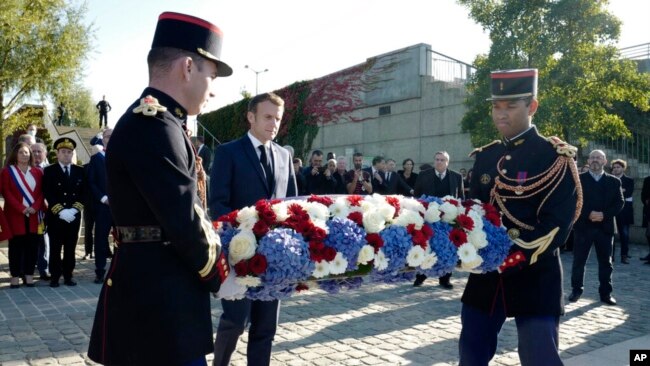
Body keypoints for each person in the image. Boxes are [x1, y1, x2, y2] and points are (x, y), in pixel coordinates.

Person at [88, 12, 229, 366]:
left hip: (158, 302)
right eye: (210, 75)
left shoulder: (162, 122)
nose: (213, 89)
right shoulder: (153, 125)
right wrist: (225, 272)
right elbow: (184, 217)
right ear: (187, 67)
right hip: (158, 311)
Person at [460, 68, 580, 366]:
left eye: (510, 106)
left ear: (532, 106)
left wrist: (511, 256)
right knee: (471, 354)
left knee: (540, 357)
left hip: (535, 273)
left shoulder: (553, 156)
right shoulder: (486, 157)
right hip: (486, 277)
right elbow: (473, 211)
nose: (501, 114)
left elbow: (557, 225)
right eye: (496, 107)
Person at [210, 92, 297, 366]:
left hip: (276, 259)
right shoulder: (228, 152)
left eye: (278, 119)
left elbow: (293, 204)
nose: (273, 124)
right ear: (251, 117)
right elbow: (219, 204)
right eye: (268, 117)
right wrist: (241, 236)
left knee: (265, 328)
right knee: (236, 321)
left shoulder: (284, 156)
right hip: (240, 255)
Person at [569, 150, 624, 306]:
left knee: (606, 263)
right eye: (592, 157)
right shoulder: (578, 180)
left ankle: (606, 293)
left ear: (604, 161)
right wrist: (588, 214)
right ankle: (576, 290)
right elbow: (572, 201)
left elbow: (619, 203)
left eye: (598, 158)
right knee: (579, 261)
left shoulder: (614, 182)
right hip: (583, 227)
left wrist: (604, 214)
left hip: (605, 228)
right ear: (588, 160)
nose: (595, 160)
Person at [412, 151, 464, 289]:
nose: (439, 162)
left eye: (442, 160)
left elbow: (461, 198)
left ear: (447, 162)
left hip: (449, 220)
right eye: (437, 159)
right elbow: (417, 195)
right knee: (427, 246)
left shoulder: (456, 177)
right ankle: (420, 276)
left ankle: (445, 278)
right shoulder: (424, 175)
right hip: (429, 218)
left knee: (447, 247)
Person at [43, 138, 85, 287]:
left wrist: (74, 209)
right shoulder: (49, 171)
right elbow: (48, 193)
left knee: (70, 247)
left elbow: (84, 193)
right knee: (55, 248)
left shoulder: (80, 171)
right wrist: (60, 211)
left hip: (73, 216)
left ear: (72, 154)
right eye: (63, 152)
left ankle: (68, 275)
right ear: (57, 154)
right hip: (56, 217)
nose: (66, 155)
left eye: (69, 152)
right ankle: (55, 276)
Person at [1, 143, 44, 288]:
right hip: (15, 214)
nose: (24, 155)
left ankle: (29, 275)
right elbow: (6, 192)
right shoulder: (7, 171)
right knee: (16, 246)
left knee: (32, 245)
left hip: (33, 215)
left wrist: (35, 207)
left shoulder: (37, 172)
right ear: (15, 154)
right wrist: (21, 208)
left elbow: (42, 192)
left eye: (27, 152)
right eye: (21, 152)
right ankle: (14, 276)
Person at [87, 129, 113, 284]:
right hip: (103, 206)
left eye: (112, 136)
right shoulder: (96, 158)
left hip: (121, 207)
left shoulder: (123, 157)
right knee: (101, 239)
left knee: (123, 239)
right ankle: (100, 271)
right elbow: (92, 182)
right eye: (107, 137)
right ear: (102, 139)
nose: (110, 139)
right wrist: (103, 198)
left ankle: (120, 270)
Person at [31, 142, 50, 280]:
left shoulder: (51, 170)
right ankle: (26, 269)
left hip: (46, 211)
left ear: (45, 154)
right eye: (34, 151)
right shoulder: (25, 170)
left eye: (39, 151)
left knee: (45, 240)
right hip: (29, 211)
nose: (36, 154)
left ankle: (44, 268)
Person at [611, 159, 633, 264]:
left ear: (623, 168)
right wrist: (621, 190)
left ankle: (624, 255)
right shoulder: (609, 179)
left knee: (624, 234)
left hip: (625, 212)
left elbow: (628, 193)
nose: (616, 169)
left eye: (618, 167)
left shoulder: (629, 180)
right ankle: (611, 256)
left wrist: (617, 191)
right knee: (611, 235)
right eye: (614, 167)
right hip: (612, 211)